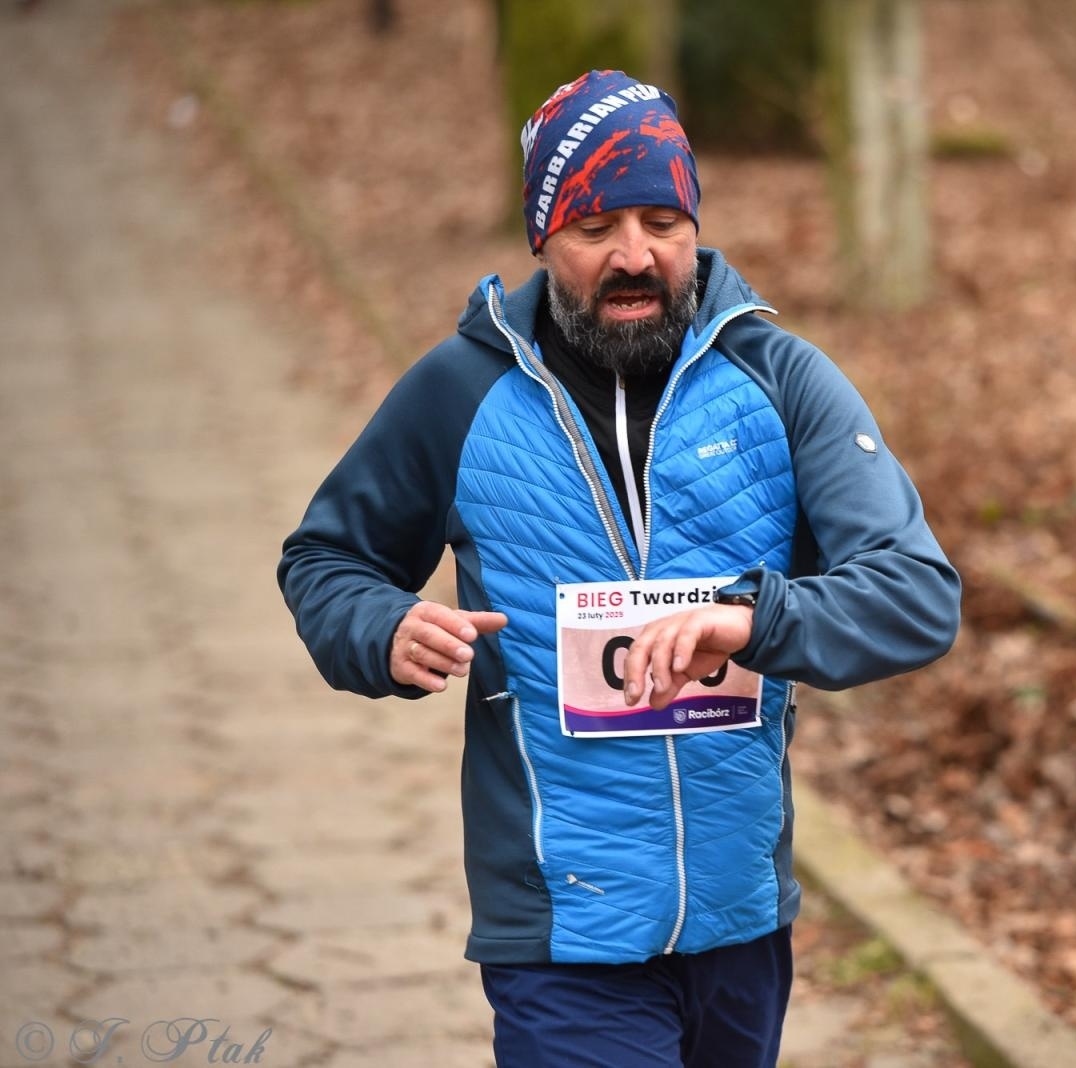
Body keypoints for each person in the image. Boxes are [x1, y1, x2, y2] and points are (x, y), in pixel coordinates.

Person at [278, 69, 960, 1067]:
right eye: (596, 226)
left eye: (660, 220)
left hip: (737, 914)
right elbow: (326, 557)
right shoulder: (460, 393)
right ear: (542, 238)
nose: (635, 255)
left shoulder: (781, 382)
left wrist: (752, 621)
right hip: (559, 926)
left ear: (694, 226)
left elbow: (915, 593)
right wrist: (380, 629)